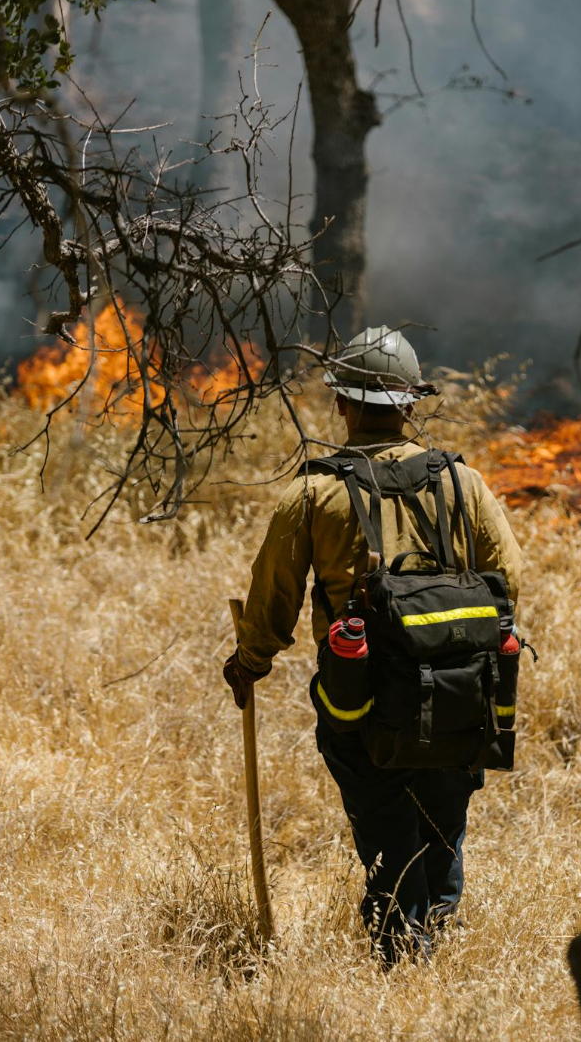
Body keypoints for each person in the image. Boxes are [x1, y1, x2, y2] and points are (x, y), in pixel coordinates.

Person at [223, 326, 524, 963]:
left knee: (388, 829)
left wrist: (249, 663)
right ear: (411, 404)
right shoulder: (462, 484)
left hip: (361, 702)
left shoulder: (313, 493)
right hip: (460, 696)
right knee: (443, 830)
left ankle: (404, 960)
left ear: (340, 403)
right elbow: (510, 578)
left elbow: (273, 601)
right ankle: (436, 946)